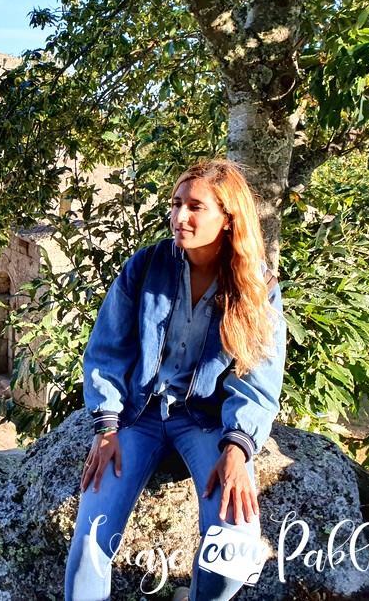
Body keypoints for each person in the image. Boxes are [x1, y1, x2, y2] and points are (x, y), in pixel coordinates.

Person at [64, 160, 286, 601]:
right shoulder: (147, 266)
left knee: (233, 549)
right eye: (176, 204)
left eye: (196, 207)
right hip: (139, 417)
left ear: (228, 219)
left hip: (205, 423)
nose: (180, 217)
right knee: (91, 539)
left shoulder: (256, 285)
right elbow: (107, 351)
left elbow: (259, 377)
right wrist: (107, 426)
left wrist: (238, 448)